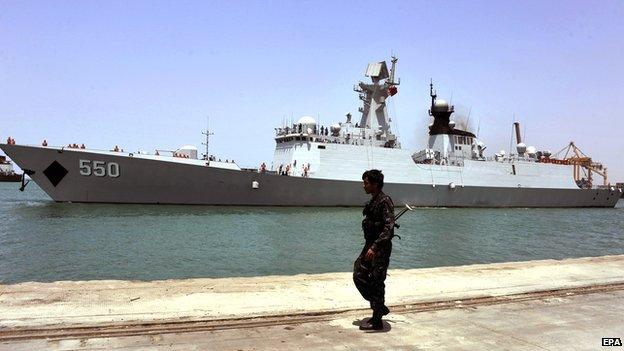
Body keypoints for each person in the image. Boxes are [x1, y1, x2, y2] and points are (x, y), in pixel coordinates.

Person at [353, 169, 395, 331]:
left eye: (366, 183)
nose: (364, 186)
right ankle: (379, 306)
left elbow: (388, 228)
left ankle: (377, 319)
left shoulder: (385, 201)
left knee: (377, 281)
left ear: (375, 184)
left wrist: (375, 247)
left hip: (380, 248)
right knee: (358, 274)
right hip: (369, 246)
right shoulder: (373, 201)